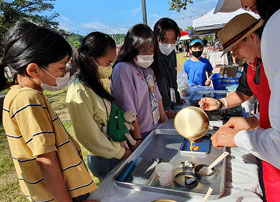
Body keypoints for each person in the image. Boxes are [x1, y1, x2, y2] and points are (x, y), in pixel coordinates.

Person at [1, 21, 98, 202]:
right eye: (61, 68)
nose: (64, 74)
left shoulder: (21, 94)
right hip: (61, 195)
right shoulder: (28, 100)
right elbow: (47, 160)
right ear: (33, 69)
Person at [213, 1, 280, 201]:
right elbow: (246, 93)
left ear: (252, 37)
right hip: (266, 141)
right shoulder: (252, 65)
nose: (234, 56)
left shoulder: (274, 63)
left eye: (235, 49)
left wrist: (241, 136)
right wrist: (251, 120)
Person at [66, 32, 131, 181]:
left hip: (116, 149)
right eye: (108, 63)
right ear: (91, 60)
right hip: (105, 157)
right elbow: (89, 136)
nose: (110, 67)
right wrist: (120, 152)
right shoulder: (79, 89)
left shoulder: (98, 80)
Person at [111, 24, 167, 147]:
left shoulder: (147, 70)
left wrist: (164, 121)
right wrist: (137, 140)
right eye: (144, 51)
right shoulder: (123, 69)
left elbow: (158, 98)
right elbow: (129, 109)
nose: (148, 55)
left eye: (151, 51)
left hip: (154, 129)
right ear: (133, 48)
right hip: (139, 134)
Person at [153, 17, 184, 119]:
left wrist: (177, 97)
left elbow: (172, 78)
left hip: (171, 104)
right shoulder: (152, 57)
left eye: (173, 41)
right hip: (159, 110)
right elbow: (160, 83)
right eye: (165, 41)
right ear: (156, 38)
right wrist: (165, 107)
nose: (169, 45)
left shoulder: (172, 53)